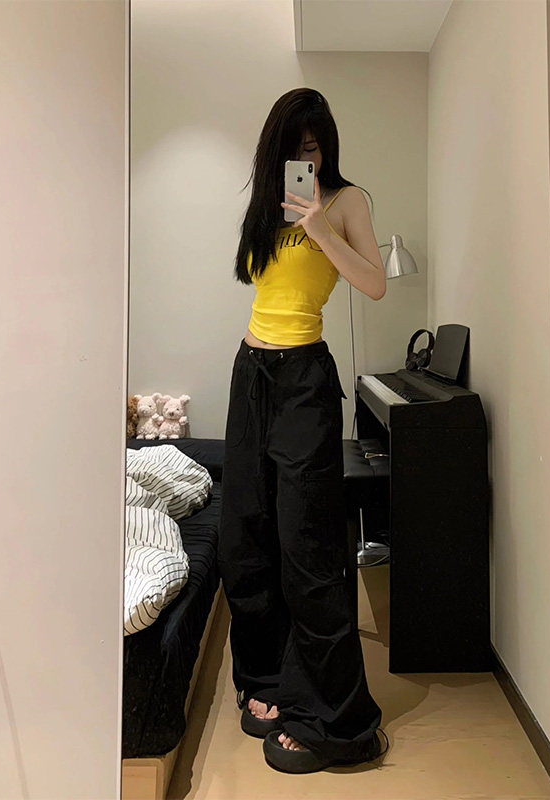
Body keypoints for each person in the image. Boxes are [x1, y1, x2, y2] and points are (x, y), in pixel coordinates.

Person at [217, 88, 389, 774]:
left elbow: (374, 283)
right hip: (250, 373)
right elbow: (260, 284)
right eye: (293, 150)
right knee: (247, 536)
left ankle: (335, 719)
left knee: (309, 546)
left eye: (313, 149)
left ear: (328, 147)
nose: (305, 161)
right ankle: (266, 679)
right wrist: (287, 218)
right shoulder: (268, 205)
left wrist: (320, 228)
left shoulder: (345, 202)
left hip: (304, 382)